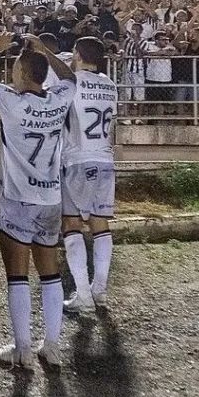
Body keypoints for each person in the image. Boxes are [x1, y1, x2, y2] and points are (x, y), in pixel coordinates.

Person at [0, 31, 76, 370]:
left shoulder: (11, 101)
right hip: (50, 197)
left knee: (17, 276)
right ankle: (52, 346)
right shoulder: (58, 97)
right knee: (50, 273)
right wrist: (44, 49)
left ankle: (24, 350)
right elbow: (69, 77)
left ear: (24, 75)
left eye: (15, 71)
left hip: (17, 199)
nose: (11, 74)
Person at [61, 37, 118, 314]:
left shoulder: (72, 81)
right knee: (100, 224)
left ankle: (83, 293)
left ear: (79, 55)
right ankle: (100, 290)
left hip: (78, 160)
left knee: (71, 224)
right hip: (105, 159)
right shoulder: (110, 84)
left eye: (73, 51)